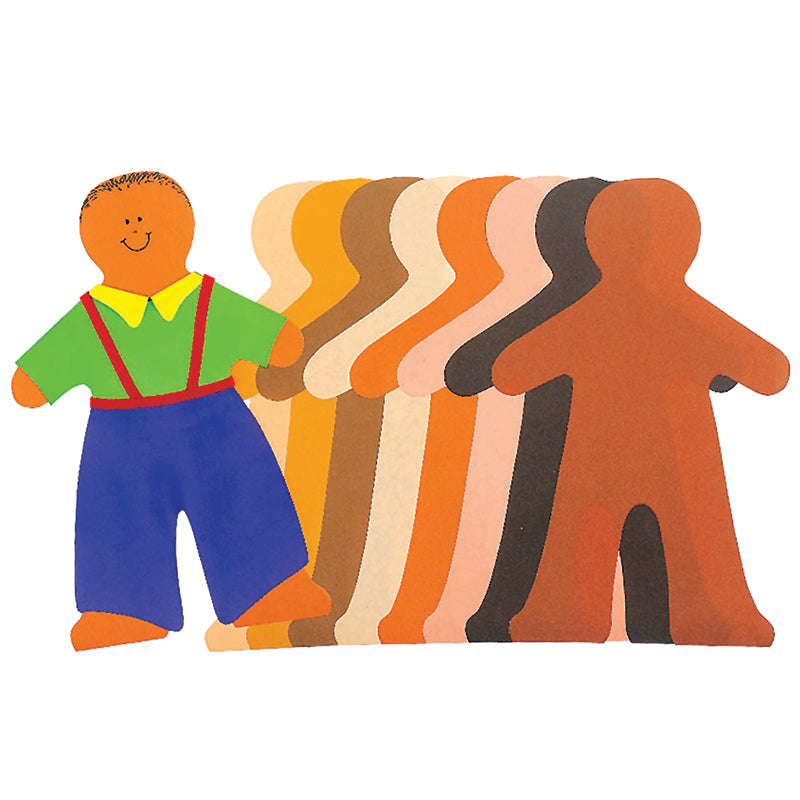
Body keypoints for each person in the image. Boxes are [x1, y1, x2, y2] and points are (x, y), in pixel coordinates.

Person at [12, 171, 331, 651]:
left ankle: (269, 590)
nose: (135, 227)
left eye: (147, 216)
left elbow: (283, 344)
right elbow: (29, 388)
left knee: (244, 500)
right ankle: (125, 611)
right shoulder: (89, 318)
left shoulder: (208, 299)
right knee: (119, 516)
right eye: (120, 221)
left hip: (214, 426)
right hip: (125, 439)